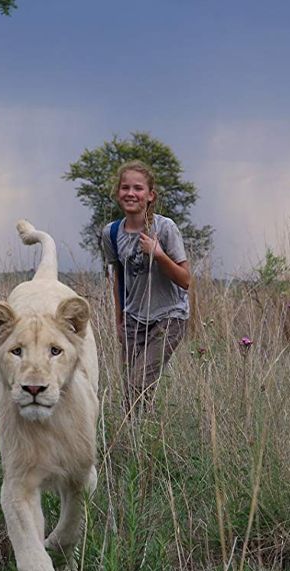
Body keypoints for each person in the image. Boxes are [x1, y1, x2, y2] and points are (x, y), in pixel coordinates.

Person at [100, 160, 191, 411]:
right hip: (133, 320)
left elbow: (185, 280)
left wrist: (159, 254)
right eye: (125, 187)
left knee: (138, 384)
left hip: (169, 317)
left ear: (150, 195)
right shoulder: (111, 233)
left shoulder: (165, 228)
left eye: (138, 188)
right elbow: (119, 278)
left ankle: (139, 440)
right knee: (132, 390)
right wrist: (119, 321)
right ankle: (140, 442)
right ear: (118, 193)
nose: (131, 193)